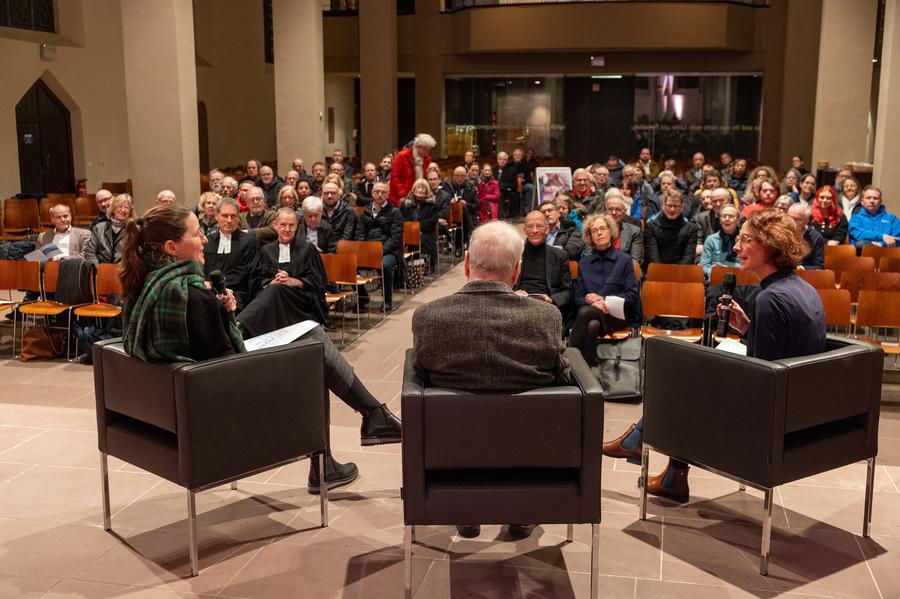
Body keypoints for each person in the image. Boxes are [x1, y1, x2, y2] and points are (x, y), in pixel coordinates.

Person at [120, 204, 400, 493]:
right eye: (197, 234)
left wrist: (216, 308)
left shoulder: (143, 286)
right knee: (314, 347)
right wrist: (224, 313)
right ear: (172, 247)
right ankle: (353, 437)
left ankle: (369, 421)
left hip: (174, 400)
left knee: (305, 332)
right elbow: (228, 358)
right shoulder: (191, 295)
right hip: (221, 404)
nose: (205, 239)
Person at [604, 210, 826, 502]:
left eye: (745, 239)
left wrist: (714, 373)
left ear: (771, 244)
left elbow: (762, 377)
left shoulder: (770, 299)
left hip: (771, 416)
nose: (736, 247)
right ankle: (665, 470)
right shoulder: (802, 288)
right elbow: (781, 355)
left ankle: (642, 442)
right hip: (799, 403)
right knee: (694, 375)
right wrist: (748, 329)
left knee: (684, 383)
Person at [412, 220, 570, 540]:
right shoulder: (546, 318)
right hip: (529, 465)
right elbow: (562, 375)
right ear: (517, 271)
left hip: (451, 464)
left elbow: (421, 373)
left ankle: (465, 508)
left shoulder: (428, 317)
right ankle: (523, 509)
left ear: (467, 263)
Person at [568, 213, 639, 366]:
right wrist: (594, 304)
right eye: (594, 231)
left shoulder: (624, 260)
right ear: (590, 236)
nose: (599, 233)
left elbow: (632, 295)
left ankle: (568, 364)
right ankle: (584, 371)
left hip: (616, 315)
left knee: (586, 313)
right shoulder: (584, 263)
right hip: (591, 315)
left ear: (610, 231)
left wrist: (604, 300)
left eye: (602, 228)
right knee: (592, 325)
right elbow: (578, 297)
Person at [513, 211, 574, 319]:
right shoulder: (514, 254)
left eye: (539, 226)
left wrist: (552, 299)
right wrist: (513, 293)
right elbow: (502, 284)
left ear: (547, 229)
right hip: (518, 304)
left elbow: (567, 290)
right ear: (524, 230)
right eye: (530, 226)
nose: (535, 230)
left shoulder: (560, 256)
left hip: (547, 305)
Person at [202, 197, 259, 311]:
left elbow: (246, 272)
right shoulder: (207, 242)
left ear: (238, 218)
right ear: (217, 216)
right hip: (208, 292)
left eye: (233, 216)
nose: (229, 220)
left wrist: (214, 285)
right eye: (225, 216)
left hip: (238, 294)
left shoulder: (249, 241)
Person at [355, 181, 403, 311]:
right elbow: (360, 233)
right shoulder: (364, 212)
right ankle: (362, 297)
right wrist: (363, 250)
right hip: (368, 250)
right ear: (372, 193)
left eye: (383, 192)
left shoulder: (395, 212)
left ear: (388, 195)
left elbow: (395, 238)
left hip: (388, 251)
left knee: (385, 265)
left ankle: (387, 300)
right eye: (377, 192)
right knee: (349, 264)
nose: (380, 194)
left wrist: (380, 250)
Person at [642, 190, 699, 268]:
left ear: (682, 208)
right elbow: (652, 257)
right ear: (663, 206)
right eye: (669, 205)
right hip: (656, 272)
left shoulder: (692, 228)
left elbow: (688, 257)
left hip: (682, 273)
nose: (672, 209)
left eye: (676, 206)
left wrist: (676, 273)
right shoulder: (651, 227)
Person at [400, 178, 440, 272]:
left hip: (426, 231)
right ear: (414, 190)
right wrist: (411, 228)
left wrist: (417, 227)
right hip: (408, 232)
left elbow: (432, 221)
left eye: (424, 188)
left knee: (424, 238)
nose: (421, 190)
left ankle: (426, 265)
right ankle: (408, 266)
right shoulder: (406, 204)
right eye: (418, 188)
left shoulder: (432, 205)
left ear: (427, 191)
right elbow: (401, 219)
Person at [85, 193, 134, 265]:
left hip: (124, 271)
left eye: (127, 208)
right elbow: (89, 253)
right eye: (120, 206)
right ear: (113, 209)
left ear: (130, 212)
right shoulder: (98, 228)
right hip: (100, 270)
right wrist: (99, 269)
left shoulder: (134, 230)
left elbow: (137, 255)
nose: (123, 210)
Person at [390, 133, 436, 206]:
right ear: (418, 147)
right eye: (426, 150)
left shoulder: (427, 159)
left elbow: (426, 178)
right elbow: (395, 177)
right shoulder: (402, 156)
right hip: (401, 197)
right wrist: (403, 195)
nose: (427, 152)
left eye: (429, 150)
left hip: (418, 196)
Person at [699, 204, 740, 278]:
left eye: (731, 216)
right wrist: (718, 273)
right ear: (720, 220)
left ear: (737, 220)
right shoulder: (711, 239)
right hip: (716, 278)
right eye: (724, 216)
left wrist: (729, 272)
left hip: (740, 278)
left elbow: (751, 265)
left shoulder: (744, 240)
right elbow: (704, 265)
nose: (727, 219)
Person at [603, 192, 642, 263]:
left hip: (625, 270)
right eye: (610, 209)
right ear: (605, 211)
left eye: (618, 209)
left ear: (624, 211)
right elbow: (589, 255)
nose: (614, 213)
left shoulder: (634, 231)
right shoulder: (597, 230)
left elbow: (635, 260)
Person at [320, 181, 357, 250]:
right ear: (322, 195)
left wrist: (334, 250)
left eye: (333, 193)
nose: (329, 196)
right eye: (326, 193)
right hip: (321, 249)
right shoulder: (318, 210)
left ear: (339, 195)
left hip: (341, 249)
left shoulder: (349, 211)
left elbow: (347, 236)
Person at [788, 202, 825, 269]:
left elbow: (819, 266)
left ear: (806, 221)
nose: (792, 222)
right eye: (790, 218)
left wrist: (802, 268)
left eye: (798, 219)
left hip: (805, 275)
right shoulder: (782, 233)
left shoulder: (815, 237)